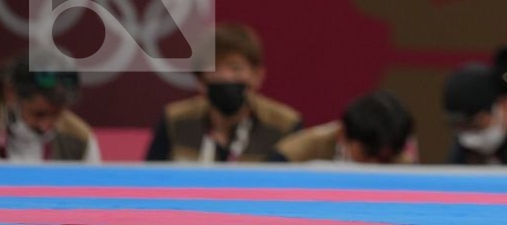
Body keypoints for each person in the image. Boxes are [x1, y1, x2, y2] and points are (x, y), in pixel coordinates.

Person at [145, 22, 302, 162]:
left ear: (257, 76)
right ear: (200, 80)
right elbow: (148, 183)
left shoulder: (285, 126)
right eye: (215, 68)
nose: (226, 77)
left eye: (236, 68)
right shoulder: (174, 121)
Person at [273, 90, 414, 163]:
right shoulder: (293, 156)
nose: (374, 166)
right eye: (367, 153)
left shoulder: (404, 167)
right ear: (343, 134)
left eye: (384, 160)